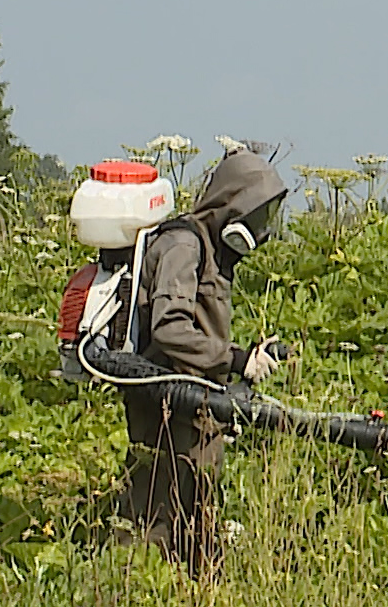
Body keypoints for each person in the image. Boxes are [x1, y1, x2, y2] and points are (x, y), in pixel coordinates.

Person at [115, 146, 289, 575]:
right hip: (167, 404)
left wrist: (242, 360)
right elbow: (170, 329)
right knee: (157, 514)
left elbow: (198, 327)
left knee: (194, 513)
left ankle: (196, 605)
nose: (259, 231)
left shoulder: (208, 249)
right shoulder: (184, 244)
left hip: (194, 406)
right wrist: (235, 359)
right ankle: (134, 596)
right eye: (255, 216)